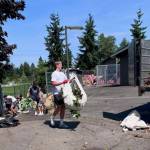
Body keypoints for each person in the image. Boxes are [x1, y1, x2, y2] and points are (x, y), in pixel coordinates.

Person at [50, 61, 72, 128]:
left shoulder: (62, 73)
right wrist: (62, 82)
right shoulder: (54, 73)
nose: (61, 66)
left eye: (61, 65)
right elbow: (53, 83)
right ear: (57, 65)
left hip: (63, 93)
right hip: (56, 93)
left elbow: (67, 81)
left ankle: (61, 123)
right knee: (59, 107)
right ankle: (52, 117)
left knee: (63, 107)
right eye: (60, 65)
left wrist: (71, 80)